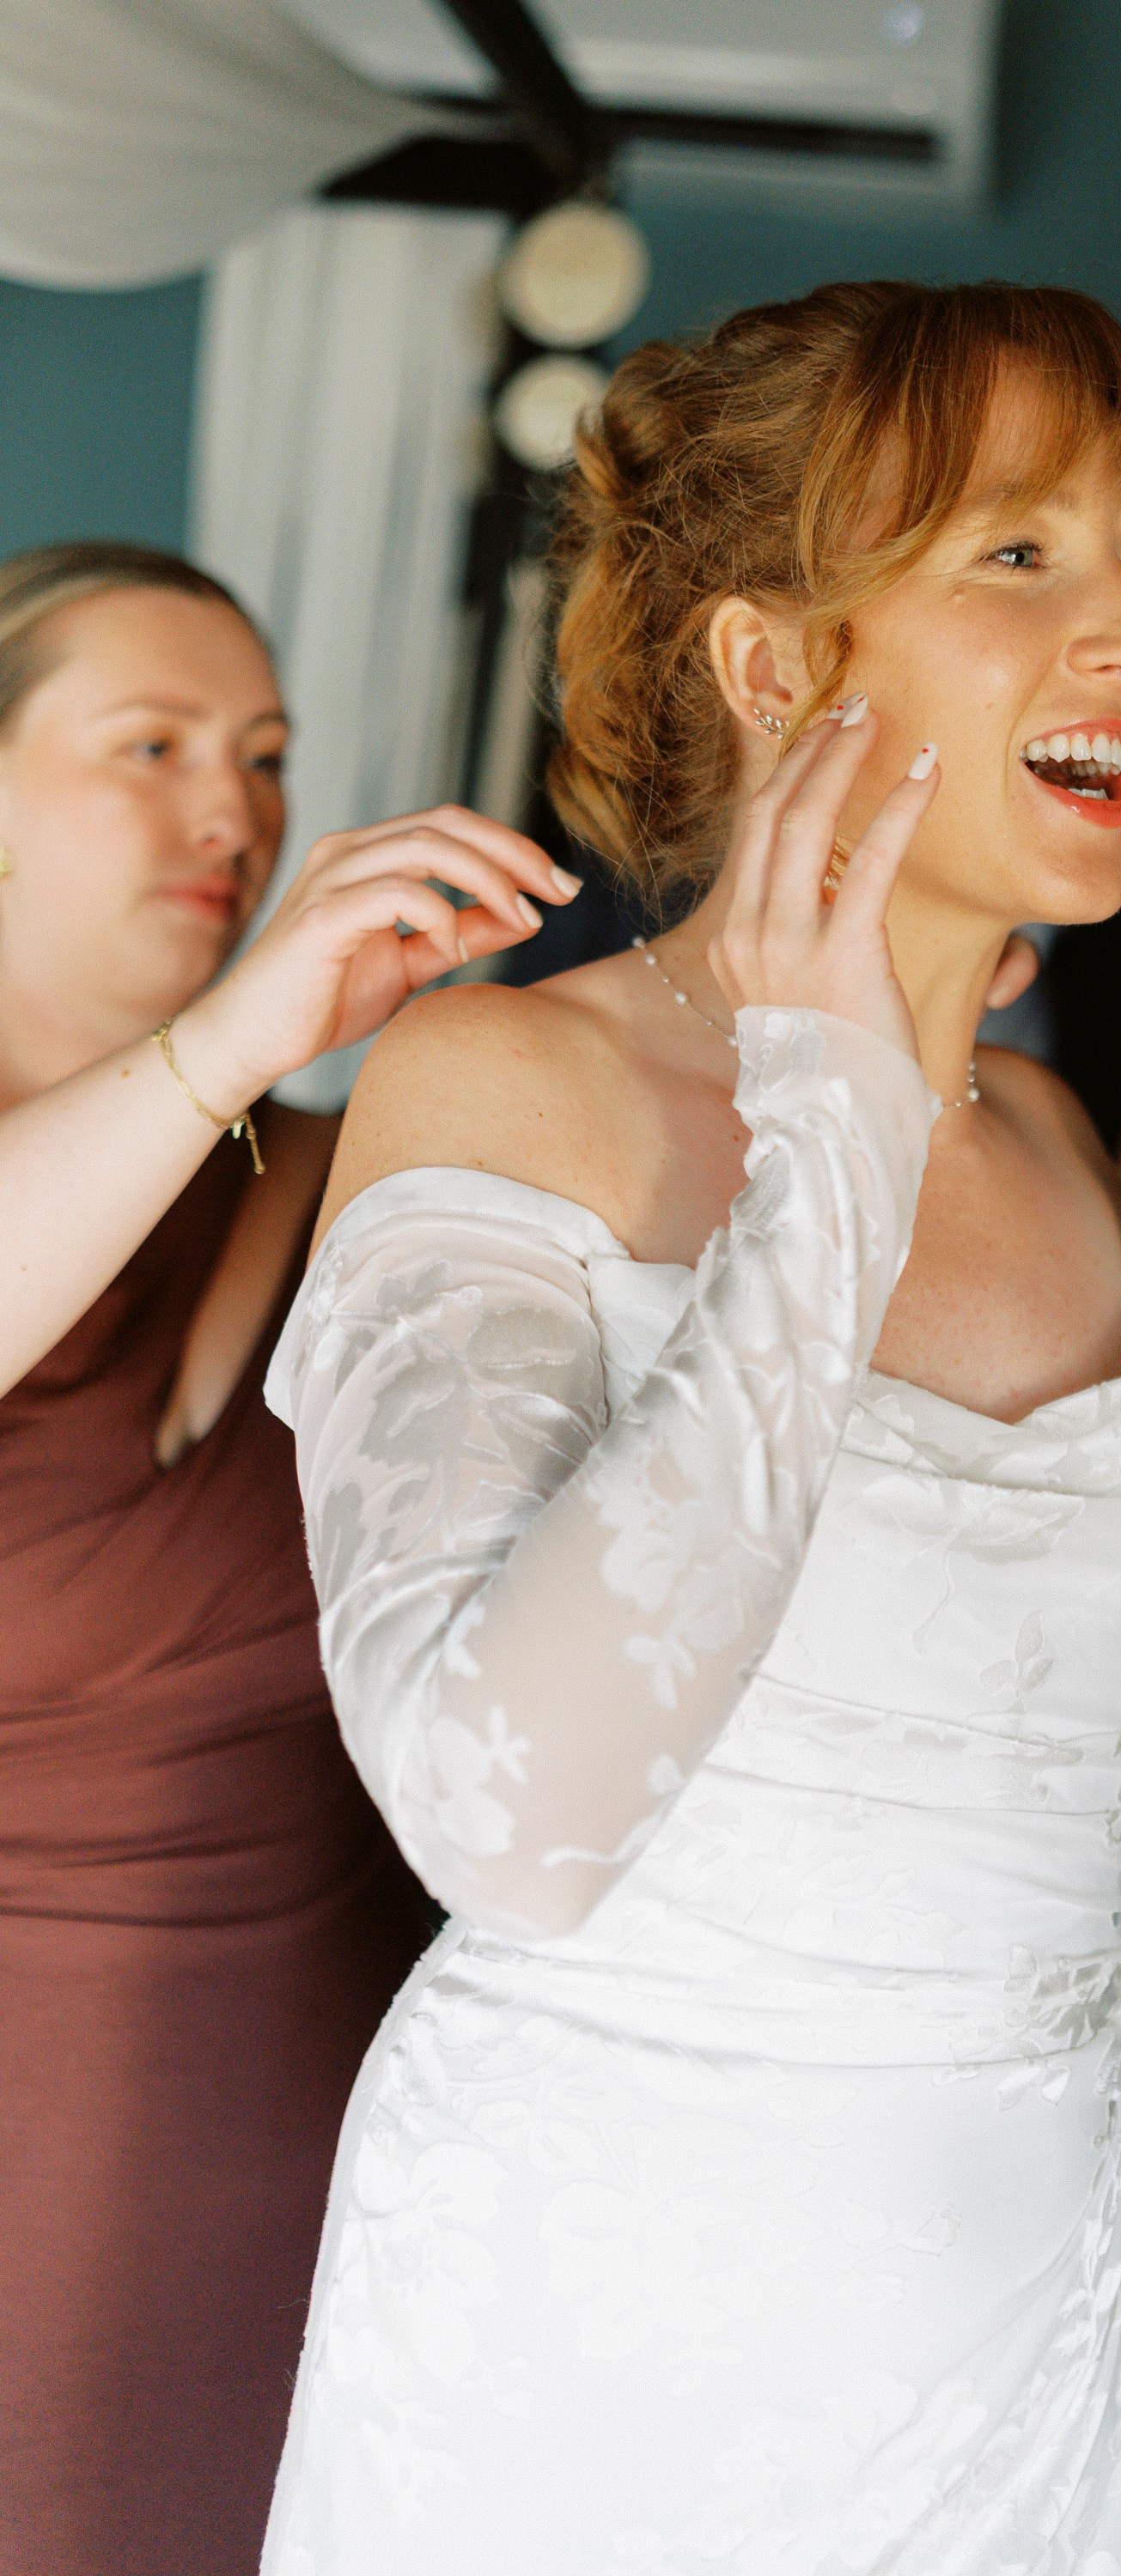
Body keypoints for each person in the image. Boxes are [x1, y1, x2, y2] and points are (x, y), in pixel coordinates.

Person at [259, 280, 1121, 2575]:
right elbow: (510, 1828)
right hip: (594, 2345)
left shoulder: (1068, 1165)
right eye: (1020, 555)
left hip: (1037, 2326)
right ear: (775, 662)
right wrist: (825, 1143)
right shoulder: (513, 1092)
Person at [0, 539, 580, 2574]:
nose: (231, 809)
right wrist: (248, 1032)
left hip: (339, 2180)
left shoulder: (367, 1172)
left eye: (261, 754)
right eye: (148, 745)